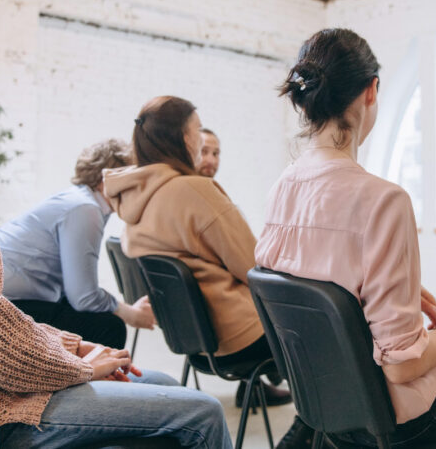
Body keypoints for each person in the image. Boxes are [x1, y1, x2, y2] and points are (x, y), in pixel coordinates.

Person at [0, 47, 231, 449]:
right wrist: (80, 366)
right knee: (202, 412)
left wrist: (78, 347)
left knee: (162, 382)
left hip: (5, 381)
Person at [255, 28, 436, 448]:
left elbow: (322, 288)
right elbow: (402, 366)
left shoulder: (280, 190)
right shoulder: (384, 201)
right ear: (371, 90)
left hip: (324, 401)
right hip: (392, 415)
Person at [102, 95, 301, 439]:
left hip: (197, 340)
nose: (200, 140)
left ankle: (310, 429)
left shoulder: (137, 200)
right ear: (182, 138)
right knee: (332, 330)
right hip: (242, 336)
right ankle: (312, 431)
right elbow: (254, 267)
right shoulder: (194, 190)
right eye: (196, 130)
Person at [0, 139, 155, 349]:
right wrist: (130, 314)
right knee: (109, 326)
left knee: (97, 316)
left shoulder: (77, 200)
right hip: (8, 306)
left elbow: (78, 292)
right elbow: (83, 297)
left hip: (11, 298)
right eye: (131, 179)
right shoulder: (85, 209)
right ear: (106, 179)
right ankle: (97, 380)